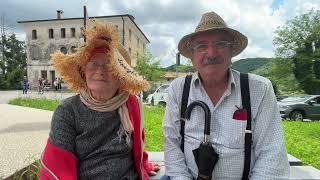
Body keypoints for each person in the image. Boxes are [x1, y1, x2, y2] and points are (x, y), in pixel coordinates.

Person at [162, 12, 290, 179]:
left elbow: (271, 153)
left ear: (232, 52)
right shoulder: (178, 88)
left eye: (221, 44)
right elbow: (172, 144)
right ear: (192, 57)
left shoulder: (259, 88)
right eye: (201, 46)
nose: (211, 53)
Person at [40, 21, 160, 180]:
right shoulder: (68, 111)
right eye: (93, 64)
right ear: (84, 73)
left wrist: (143, 164)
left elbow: (138, 145)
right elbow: (58, 164)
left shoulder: (131, 103)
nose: (99, 71)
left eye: (109, 66)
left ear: (120, 76)